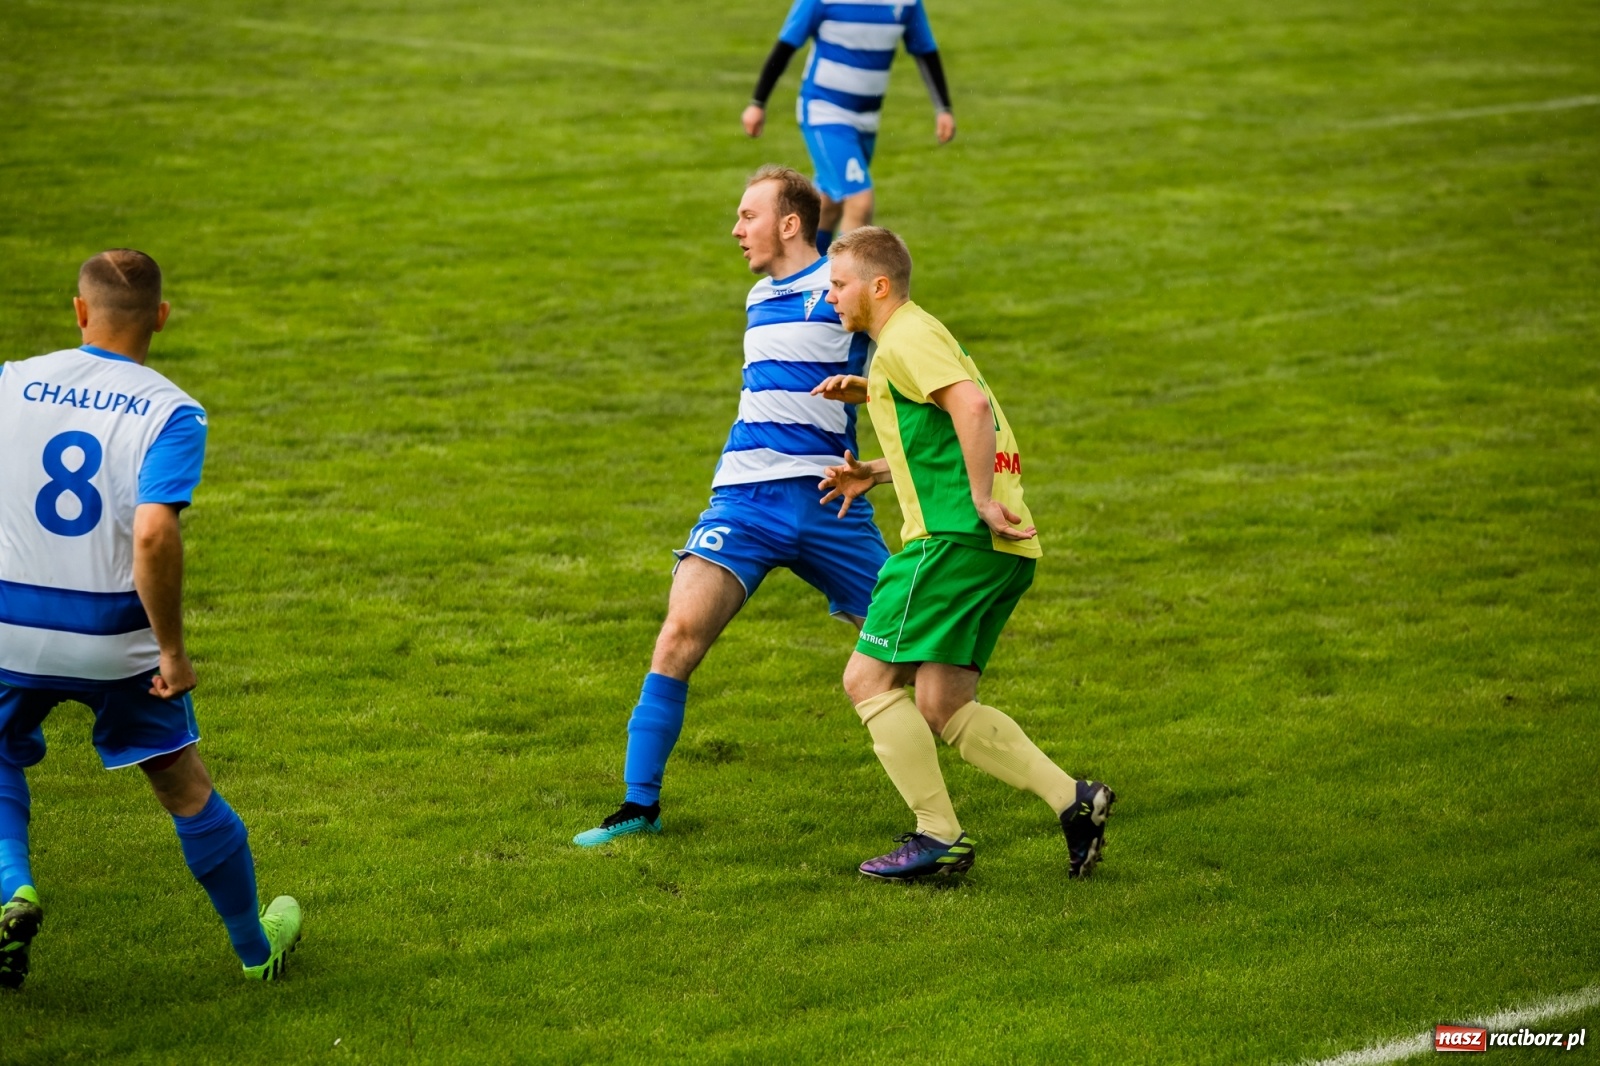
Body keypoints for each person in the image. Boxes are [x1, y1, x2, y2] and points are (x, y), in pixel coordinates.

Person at [0, 250, 302, 987]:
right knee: (183, 787)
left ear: (79, 310)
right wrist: (172, 650)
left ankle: (13, 887)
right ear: (160, 318)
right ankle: (255, 950)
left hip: (10, 626)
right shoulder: (172, 410)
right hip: (114, 641)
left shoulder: (9, 381)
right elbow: (154, 532)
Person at [572, 167, 889, 847]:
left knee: (913, 650)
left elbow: (918, 370)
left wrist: (880, 438)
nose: (737, 229)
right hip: (744, 500)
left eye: (749, 216)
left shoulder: (843, 290)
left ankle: (1012, 778)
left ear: (790, 224)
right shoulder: (758, 296)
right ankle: (638, 805)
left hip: (831, 501)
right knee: (678, 635)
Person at [813, 227, 1116, 881]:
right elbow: (942, 429)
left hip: (954, 540)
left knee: (867, 680)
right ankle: (1074, 800)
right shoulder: (919, 336)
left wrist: (978, 499)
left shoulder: (905, 339)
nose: (829, 297)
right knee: (942, 703)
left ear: (878, 286)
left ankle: (938, 836)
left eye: (838, 285)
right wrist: (874, 464)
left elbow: (972, 408)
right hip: (1002, 548)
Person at [742, 0, 955, 255]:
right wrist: (758, 103)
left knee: (828, 204)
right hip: (824, 111)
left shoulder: (907, 2)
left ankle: (803, 273)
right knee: (859, 201)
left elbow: (925, 50)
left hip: (867, 119)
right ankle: (847, 279)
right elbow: (786, 45)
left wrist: (943, 108)